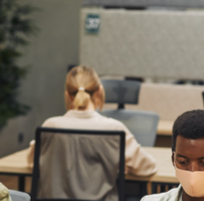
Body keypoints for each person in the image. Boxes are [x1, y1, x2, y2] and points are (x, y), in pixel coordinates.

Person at [27, 65, 157, 177]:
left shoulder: (51, 126)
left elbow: (32, 162)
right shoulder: (113, 128)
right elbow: (148, 167)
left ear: (68, 95)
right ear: (99, 92)